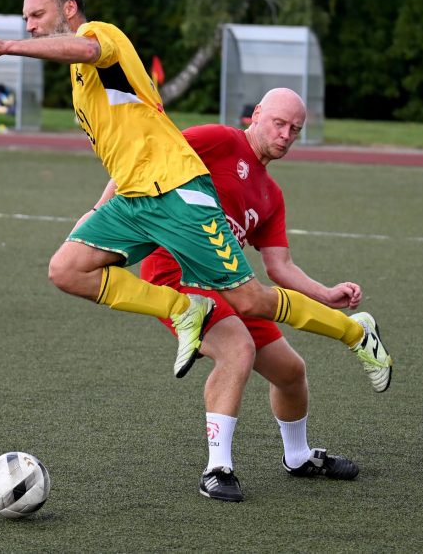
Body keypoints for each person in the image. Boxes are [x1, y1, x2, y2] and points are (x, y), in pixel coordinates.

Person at [0, 0, 392, 384]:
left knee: (250, 300)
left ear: (69, 9)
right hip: (135, 198)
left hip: (176, 189)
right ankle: (185, 309)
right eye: (25, 20)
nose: (30, 25)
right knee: (66, 269)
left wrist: (7, 46)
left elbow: (87, 49)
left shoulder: (98, 35)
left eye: (37, 15)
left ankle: (356, 332)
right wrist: (95, 209)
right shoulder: (78, 77)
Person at [140, 88, 368, 502]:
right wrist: (98, 216)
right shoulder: (221, 140)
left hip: (231, 286)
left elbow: (280, 267)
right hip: (174, 274)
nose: (285, 135)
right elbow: (146, 155)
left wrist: (326, 293)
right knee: (237, 350)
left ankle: (298, 457)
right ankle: (217, 469)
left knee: (291, 371)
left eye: (295, 130)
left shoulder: (271, 195)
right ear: (257, 113)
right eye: (279, 123)